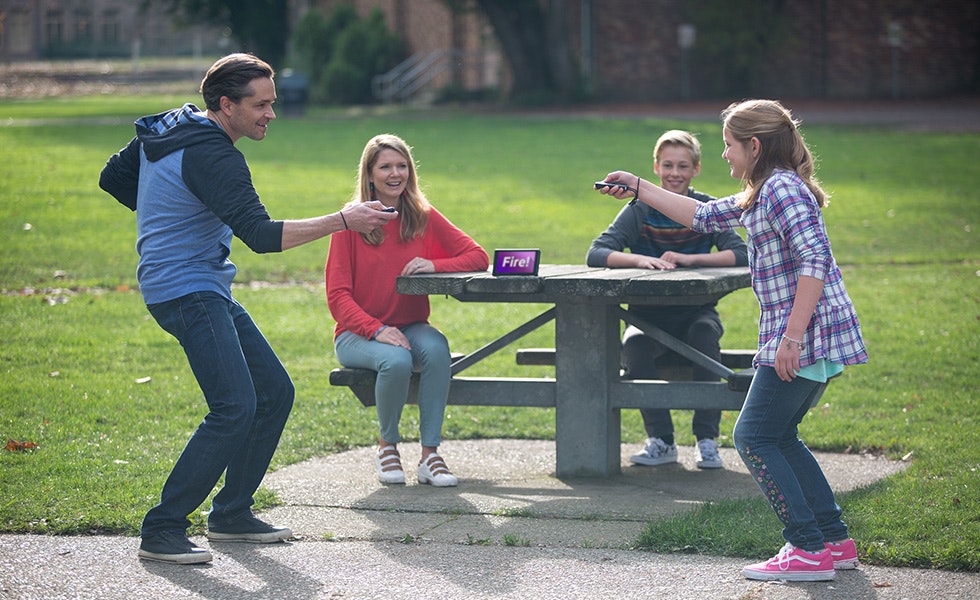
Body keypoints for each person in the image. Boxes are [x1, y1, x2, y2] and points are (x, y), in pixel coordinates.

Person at [98, 53, 397, 565]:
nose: (271, 114)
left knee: (274, 392)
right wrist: (343, 220)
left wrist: (172, 212)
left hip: (200, 285)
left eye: (272, 103)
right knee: (234, 406)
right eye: (260, 105)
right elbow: (259, 235)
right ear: (226, 104)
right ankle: (163, 528)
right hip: (186, 288)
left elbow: (114, 177)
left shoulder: (172, 125)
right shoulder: (215, 155)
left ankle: (232, 514)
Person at [597, 99, 867, 582]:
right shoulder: (766, 190)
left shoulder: (781, 189)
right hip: (810, 333)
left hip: (804, 334)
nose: (724, 155)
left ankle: (807, 549)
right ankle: (833, 540)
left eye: (728, 145)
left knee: (753, 437)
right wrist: (638, 186)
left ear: (754, 146)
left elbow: (815, 261)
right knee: (779, 435)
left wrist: (792, 338)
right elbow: (702, 216)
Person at [325, 134, 489, 488]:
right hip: (356, 335)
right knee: (396, 360)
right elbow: (337, 297)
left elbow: (478, 256)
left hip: (411, 326)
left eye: (402, 166)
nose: (395, 174)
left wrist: (434, 264)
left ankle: (430, 455)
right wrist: (377, 329)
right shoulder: (350, 222)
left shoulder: (421, 215)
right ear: (370, 174)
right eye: (385, 167)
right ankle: (388, 447)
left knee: (437, 348)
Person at [587, 130, 748, 470]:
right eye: (668, 165)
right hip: (645, 317)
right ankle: (661, 440)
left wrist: (690, 259)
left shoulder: (704, 208)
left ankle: (707, 440)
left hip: (696, 313)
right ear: (656, 168)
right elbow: (597, 252)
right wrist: (640, 260)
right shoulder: (640, 209)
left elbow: (741, 253)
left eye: (683, 166)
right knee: (633, 347)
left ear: (696, 169)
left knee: (705, 334)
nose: (675, 173)